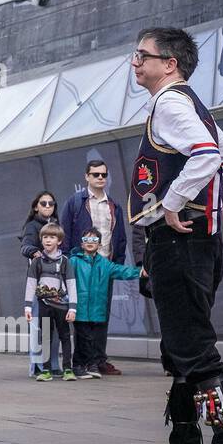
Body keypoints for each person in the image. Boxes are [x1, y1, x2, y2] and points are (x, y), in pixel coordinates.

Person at [129, 27, 223, 444]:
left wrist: (175, 205)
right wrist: (209, 217)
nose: (136, 63)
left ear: (170, 64)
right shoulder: (187, 103)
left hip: (179, 245)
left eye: (143, 56)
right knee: (180, 349)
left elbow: (207, 155)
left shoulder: (172, 104)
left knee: (195, 352)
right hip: (191, 244)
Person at [59, 159, 129, 376]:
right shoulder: (75, 202)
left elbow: (120, 238)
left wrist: (115, 264)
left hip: (103, 268)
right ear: (87, 177)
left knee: (101, 316)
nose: (100, 178)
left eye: (103, 175)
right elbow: (65, 235)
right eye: (96, 174)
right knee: (81, 317)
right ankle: (82, 361)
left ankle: (99, 360)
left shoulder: (114, 206)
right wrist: (69, 263)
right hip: (80, 268)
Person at [71, 229, 140, 379]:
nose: (90, 243)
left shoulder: (105, 263)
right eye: (87, 239)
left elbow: (122, 271)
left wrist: (140, 272)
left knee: (93, 338)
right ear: (82, 243)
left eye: (94, 240)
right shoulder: (74, 261)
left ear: (100, 244)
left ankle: (87, 365)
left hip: (97, 309)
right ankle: (81, 365)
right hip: (80, 308)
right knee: (83, 338)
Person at [22, 225, 76, 380]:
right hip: (43, 305)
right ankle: (45, 369)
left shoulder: (65, 261)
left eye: (52, 237)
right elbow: (31, 284)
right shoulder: (37, 261)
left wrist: (73, 308)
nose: (48, 240)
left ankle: (67, 369)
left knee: (65, 336)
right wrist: (27, 307)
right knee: (45, 336)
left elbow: (72, 284)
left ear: (59, 241)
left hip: (62, 305)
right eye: (45, 237)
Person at [21, 191, 60, 376]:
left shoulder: (57, 226)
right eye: (43, 203)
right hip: (38, 284)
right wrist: (35, 253)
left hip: (58, 285)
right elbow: (26, 246)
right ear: (36, 206)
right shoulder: (32, 226)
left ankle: (53, 364)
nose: (47, 206)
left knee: (55, 326)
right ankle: (37, 365)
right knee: (38, 324)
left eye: (50, 203)